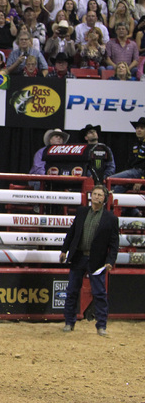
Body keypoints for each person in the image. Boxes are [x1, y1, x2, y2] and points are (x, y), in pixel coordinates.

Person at [59, 185, 119, 337]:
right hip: (79, 256)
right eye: (95, 194)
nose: (97, 197)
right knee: (72, 290)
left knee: (99, 293)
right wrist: (64, 250)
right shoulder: (82, 212)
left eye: (100, 195)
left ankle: (101, 325)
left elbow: (114, 243)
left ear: (105, 199)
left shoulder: (111, 219)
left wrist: (110, 261)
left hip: (97, 260)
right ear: (91, 196)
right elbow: (72, 233)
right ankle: (69, 322)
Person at [108, 117, 145, 195]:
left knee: (109, 179)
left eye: (142, 128)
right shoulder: (135, 144)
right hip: (133, 173)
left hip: (139, 173)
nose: (138, 130)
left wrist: (142, 180)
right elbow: (129, 162)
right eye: (137, 128)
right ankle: (107, 204)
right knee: (115, 190)